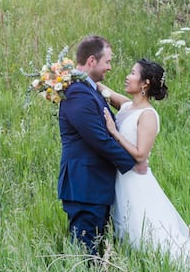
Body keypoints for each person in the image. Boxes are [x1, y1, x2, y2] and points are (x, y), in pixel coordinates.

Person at [99, 59, 190, 272]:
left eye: (132, 73)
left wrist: (113, 132)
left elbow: (140, 154)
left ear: (144, 83)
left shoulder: (148, 115)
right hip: (121, 177)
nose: (127, 76)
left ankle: (175, 271)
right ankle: (134, 268)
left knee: (146, 230)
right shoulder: (126, 106)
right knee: (126, 227)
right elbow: (106, 91)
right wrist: (81, 76)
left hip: (136, 181)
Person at [57, 35, 146, 258]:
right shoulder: (77, 93)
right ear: (92, 61)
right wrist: (133, 163)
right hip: (84, 186)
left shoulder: (89, 89)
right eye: (107, 61)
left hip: (94, 185)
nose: (109, 67)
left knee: (95, 248)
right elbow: (99, 139)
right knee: (85, 252)